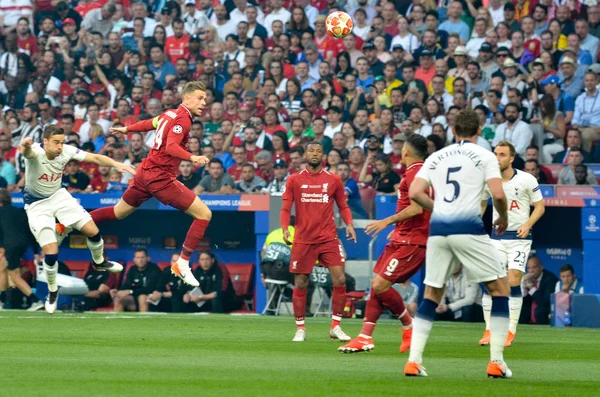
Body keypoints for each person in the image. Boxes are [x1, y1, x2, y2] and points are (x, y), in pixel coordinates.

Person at [405, 109, 512, 378]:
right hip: (468, 227)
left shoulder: (436, 156)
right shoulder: (486, 156)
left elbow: (414, 192)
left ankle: (413, 361)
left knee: (431, 294)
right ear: (479, 130)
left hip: (438, 229)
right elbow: (498, 194)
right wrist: (503, 217)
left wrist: (439, 208)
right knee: (500, 289)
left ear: (453, 131)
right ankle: (496, 361)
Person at [90, 82, 211, 288]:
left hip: (144, 173)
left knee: (118, 212)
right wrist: (193, 157)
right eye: (200, 98)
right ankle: (182, 263)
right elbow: (172, 146)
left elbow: (150, 123)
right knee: (204, 214)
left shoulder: (170, 114)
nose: (204, 102)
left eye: (205, 98)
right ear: (187, 99)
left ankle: (68, 223)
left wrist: (127, 129)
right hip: (160, 178)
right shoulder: (183, 119)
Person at [19, 125, 129, 314]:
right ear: (45, 142)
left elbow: (94, 157)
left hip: (59, 196)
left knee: (92, 230)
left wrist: (116, 164)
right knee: (51, 253)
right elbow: (28, 153)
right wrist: (26, 146)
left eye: (62, 142)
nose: (60, 146)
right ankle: (52, 291)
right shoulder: (36, 152)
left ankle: (99, 261)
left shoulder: (66, 150)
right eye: (56, 143)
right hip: (37, 205)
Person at [339, 134, 430, 354]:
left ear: (405, 152)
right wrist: (397, 229)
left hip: (413, 241)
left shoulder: (417, 173)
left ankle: (410, 327)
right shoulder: (417, 172)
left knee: (380, 286)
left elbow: (418, 208)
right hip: (402, 236)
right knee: (377, 285)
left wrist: (386, 221)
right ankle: (364, 337)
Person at [281, 141, 356, 342]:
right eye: (311, 150)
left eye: (318, 151)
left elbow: (343, 206)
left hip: (328, 237)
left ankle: (336, 326)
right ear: (305, 154)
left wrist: (349, 224)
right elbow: (286, 208)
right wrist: (285, 229)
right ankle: (300, 328)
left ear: (323, 156)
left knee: (340, 279)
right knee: (301, 282)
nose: (315, 154)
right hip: (304, 239)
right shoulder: (294, 180)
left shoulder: (334, 180)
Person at [479, 141, 545, 348]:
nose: (497, 158)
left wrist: (527, 224)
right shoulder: (489, 180)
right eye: (495, 154)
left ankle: (510, 330)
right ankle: (489, 328)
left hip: (519, 238)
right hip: (496, 237)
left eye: (502, 154)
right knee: (492, 281)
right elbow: (481, 203)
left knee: (514, 279)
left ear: (511, 158)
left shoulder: (527, 179)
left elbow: (540, 206)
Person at [0, 189, 44, 311]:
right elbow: (31, 231)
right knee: (2, 268)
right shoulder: (20, 211)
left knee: (14, 275)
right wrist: (36, 251)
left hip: (10, 245)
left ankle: (36, 301)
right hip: (22, 244)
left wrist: (3, 247)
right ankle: (2, 301)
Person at [521, 256, 558, 324]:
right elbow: (525, 302)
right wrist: (523, 288)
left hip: (546, 311)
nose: (531, 271)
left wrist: (531, 287)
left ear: (541, 267)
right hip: (531, 312)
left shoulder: (550, 279)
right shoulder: (527, 278)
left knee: (541, 311)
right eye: (529, 268)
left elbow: (545, 302)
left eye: (534, 267)